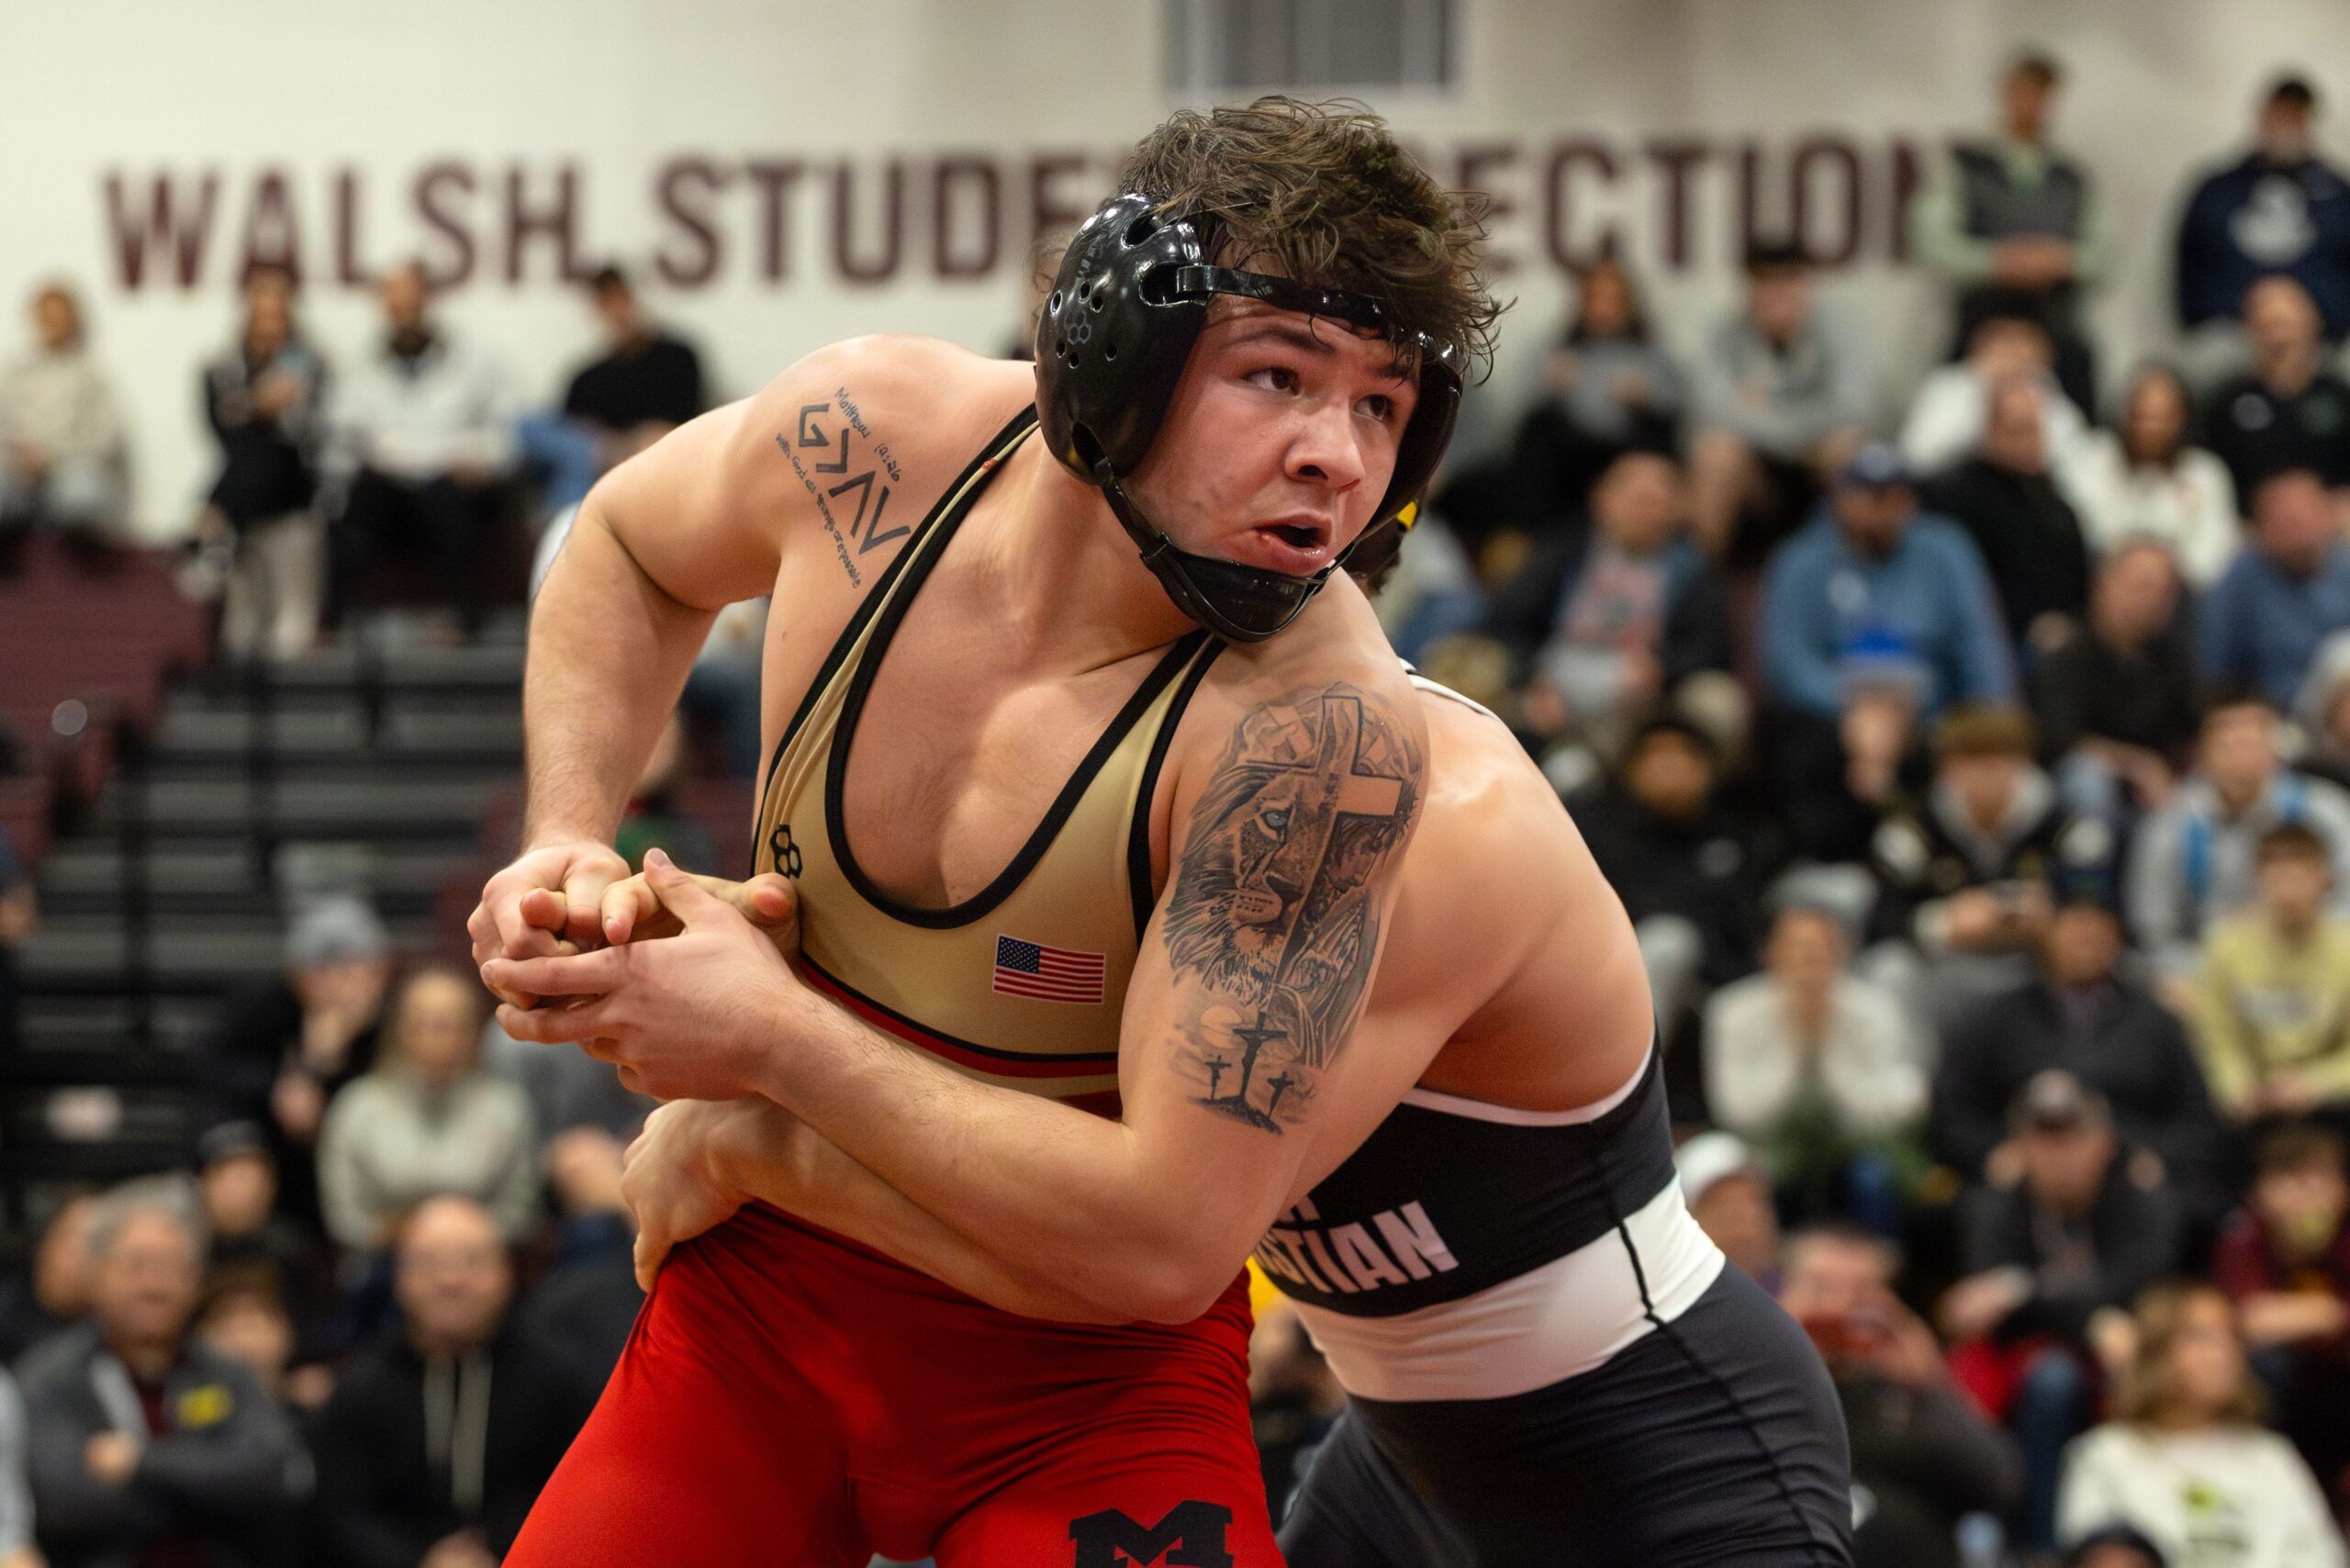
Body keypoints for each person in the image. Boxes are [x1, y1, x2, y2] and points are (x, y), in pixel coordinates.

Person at [476, 101, 1848, 1560]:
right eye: (1279, 377)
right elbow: (624, 539)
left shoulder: (1333, 756)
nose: (1337, 456)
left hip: (1592, 1443)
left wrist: (765, 1094)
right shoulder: (871, 444)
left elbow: (1157, 1246)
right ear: (1112, 351)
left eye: (1383, 407)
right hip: (1343, 1430)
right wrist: (565, 833)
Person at [602, 666, 1853, 1567]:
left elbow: (1129, 1251)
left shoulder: (1414, 826)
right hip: (1407, 1459)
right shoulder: (1148, 806)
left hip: (1665, 1447)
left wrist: (756, 1133)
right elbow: (980, 1084)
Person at [1942, 1072, 2185, 1549]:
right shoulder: (1994, 1207)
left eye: (2073, 1139)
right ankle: (2038, 1547)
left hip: (2130, 1355)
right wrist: (2089, 1318)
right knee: (2045, 1378)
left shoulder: (2140, 1198)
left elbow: (2141, 1283)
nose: (2059, 1156)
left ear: (2105, 1143)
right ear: (2019, 1148)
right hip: (2031, 1364)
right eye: (2044, 1141)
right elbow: (1985, 1307)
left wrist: (2026, 1293)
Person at [18, 1180, 307, 1568]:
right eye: (138, 1266)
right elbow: (65, 1503)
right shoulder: (49, 1378)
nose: (155, 1285)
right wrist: (207, 1489)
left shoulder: (225, 1372)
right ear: (97, 1273)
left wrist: (139, 1463)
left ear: (196, 1280)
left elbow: (270, 1470)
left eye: (173, 1267)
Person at [310, 1196, 597, 1568]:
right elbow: (342, 1513)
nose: (451, 1280)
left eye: (472, 1262)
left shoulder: (559, 1380)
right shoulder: (361, 1389)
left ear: (508, 1272)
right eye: (430, 1264)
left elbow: (580, 1499)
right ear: (398, 1276)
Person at [1934, 893, 2226, 1200]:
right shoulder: (1995, 1020)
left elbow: (2197, 1121)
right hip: (2023, 1187)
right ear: (2046, 932)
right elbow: (1953, 1113)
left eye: (2100, 925)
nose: (2087, 937)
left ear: (2117, 937)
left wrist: (2161, 1159)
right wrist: (1992, 1154)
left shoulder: (2156, 1023)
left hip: (2133, 1182)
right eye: (2074, 923)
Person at [1776, 1226, 2021, 1568]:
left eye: (1860, 1293)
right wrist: (1783, 1352)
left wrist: (1931, 1385)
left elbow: (2000, 1485)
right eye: (1822, 1287)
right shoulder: (1760, 1389)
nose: (1838, 1307)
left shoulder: (1901, 1398)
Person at [2057, 1281, 2346, 1568]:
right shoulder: (2106, 1454)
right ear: (2155, 1350)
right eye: (2200, 1337)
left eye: (2230, 1336)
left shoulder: (2271, 1456)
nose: (2222, 1353)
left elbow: (2322, 1556)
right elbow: (2094, 1555)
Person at [1478, 449, 1729, 756]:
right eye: (1637, 499)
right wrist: (1531, 679)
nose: (1646, 511)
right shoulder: (1564, 552)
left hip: (1642, 699)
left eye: (1657, 501)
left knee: (1718, 699)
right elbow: (1506, 621)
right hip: (1556, 680)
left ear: (1677, 510)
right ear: (1602, 499)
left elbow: (1705, 646)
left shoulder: (1694, 572)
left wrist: (1662, 670)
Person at [1866, 704, 2099, 1027]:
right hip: (1948, 967)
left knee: (2116, 965)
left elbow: (2099, 903)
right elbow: (1881, 921)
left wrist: (2052, 917)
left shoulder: (2062, 828)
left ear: (2022, 763)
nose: (1986, 776)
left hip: (2033, 966)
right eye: (1972, 762)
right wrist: (1946, 922)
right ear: (1947, 768)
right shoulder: (1913, 832)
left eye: (1999, 761)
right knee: (1888, 970)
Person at [1759, 443, 2014, 732]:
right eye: (1874, 497)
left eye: (1898, 496)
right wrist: (1856, 704)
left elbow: (1979, 642)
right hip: (1834, 713)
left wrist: (1994, 718)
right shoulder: (1801, 560)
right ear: (1841, 500)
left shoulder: (1946, 549)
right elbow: (1789, 661)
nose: (1887, 509)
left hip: (1931, 711)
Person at [1908, 50, 2110, 413]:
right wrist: (1999, 262)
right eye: (2024, 91)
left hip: (2055, 327)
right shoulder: (1965, 168)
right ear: (2005, 93)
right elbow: (1932, 244)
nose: (2032, 104)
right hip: (1981, 326)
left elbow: (2105, 253)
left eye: (2042, 95)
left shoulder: (2073, 178)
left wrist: (2060, 260)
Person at [1702, 902, 1925, 1229]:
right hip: (1768, 1146)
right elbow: (1739, 1115)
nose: (1808, 960)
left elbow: (1893, 1110)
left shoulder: (1876, 1010)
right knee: (1740, 1181)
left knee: (1875, 1176)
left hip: (1856, 1145)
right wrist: (1794, 1042)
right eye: (1796, 947)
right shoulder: (1732, 1011)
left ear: (1843, 953)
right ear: (1769, 952)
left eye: (1820, 947)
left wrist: (1825, 1040)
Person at [325, 259, 516, 638]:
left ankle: (465, 622)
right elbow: (341, 438)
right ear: (384, 306)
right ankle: (335, 626)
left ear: (428, 300)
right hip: (389, 486)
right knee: (349, 510)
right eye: (397, 304)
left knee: (450, 504)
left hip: (452, 482)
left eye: (412, 301)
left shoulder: (472, 360)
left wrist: (483, 462)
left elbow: (505, 428)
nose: (406, 314)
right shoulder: (359, 367)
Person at [197, 894, 395, 1236]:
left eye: (353, 971)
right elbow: (215, 1068)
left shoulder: (397, 1021)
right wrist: (302, 1068)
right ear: (295, 977)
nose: (339, 988)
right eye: (323, 972)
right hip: (279, 1160)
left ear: (380, 974)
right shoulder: (264, 1007)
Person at [316, 966, 537, 1258]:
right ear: (400, 1028)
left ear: (474, 1032)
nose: (440, 1036)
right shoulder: (358, 1106)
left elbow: (520, 1210)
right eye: (426, 1023)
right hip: (383, 1262)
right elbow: (344, 1215)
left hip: (480, 1259)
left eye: (453, 1024)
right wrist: (405, 1238)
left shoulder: (506, 1107)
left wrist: (455, 1237)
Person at [1576, 711, 1779, 1027]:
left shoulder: (1735, 834)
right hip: (1618, 986)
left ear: (1709, 769)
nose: (1671, 765)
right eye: (1656, 754)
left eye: (1685, 753)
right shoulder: (1598, 833)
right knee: (1669, 941)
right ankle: (1636, 1072)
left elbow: (1747, 924)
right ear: (1629, 768)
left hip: (1721, 982)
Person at [2131, 690, 2350, 977]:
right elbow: (2155, 930)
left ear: (2276, 750)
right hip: (2206, 971)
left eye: (2254, 743)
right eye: (2229, 745)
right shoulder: (2171, 823)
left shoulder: (2324, 811)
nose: (2243, 757)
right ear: (2202, 753)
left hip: (2313, 967)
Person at [1689, 239, 1874, 562]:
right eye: (1765, 282)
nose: (1777, 293)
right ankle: (1703, 588)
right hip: (1757, 470)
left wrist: (1765, 408)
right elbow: (1710, 407)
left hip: (1815, 458)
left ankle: (1855, 574)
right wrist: (1794, 424)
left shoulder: (1837, 329)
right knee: (1715, 453)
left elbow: (1855, 406)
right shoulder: (1724, 332)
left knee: (1847, 447)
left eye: (1789, 280)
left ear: (1806, 284)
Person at [2212, 1123, 2350, 1510]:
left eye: (2318, 1181)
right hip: (2281, 1401)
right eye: (2289, 1182)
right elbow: (2247, 1320)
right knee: (2264, 1363)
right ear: (2260, 1192)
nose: (2306, 1197)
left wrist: (2301, 1315)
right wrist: (2332, 1312)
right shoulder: (2243, 1237)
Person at [199, 263, 329, 662]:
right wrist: (260, 407)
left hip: (290, 500)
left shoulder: (311, 365)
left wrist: (257, 410)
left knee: (291, 625)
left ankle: (214, 522)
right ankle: (223, 527)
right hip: (252, 499)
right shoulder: (220, 368)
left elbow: (306, 435)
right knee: (242, 627)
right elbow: (225, 433)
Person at [2031, 540, 2203, 825]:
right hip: (2094, 781)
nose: (2153, 600)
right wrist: (2135, 765)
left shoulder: (2176, 657)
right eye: (2142, 587)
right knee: (2086, 780)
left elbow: (2195, 727)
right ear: (2104, 585)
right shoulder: (2070, 655)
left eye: (2165, 591)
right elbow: (2062, 739)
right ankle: (2091, 865)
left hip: (2163, 783)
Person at [2176, 75, 2350, 349]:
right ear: (2262, 115)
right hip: (2229, 335)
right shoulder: (2218, 189)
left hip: (2320, 342)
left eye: (2296, 118)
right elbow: (2190, 263)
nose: (2286, 128)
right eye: (2280, 115)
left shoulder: (2338, 195)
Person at [2196, 823, 2350, 1127]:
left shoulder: (2345, 950)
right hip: (2249, 1104)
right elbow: (2217, 1039)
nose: (2289, 891)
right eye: (2278, 876)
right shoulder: (2225, 947)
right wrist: (2239, 1090)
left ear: (2325, 879)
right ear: (2258, 879)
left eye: (2301, 875)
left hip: (2332, 1106)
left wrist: (2314, 1084)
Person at [1919, 376, 2092, 647]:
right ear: (1989, 431)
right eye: (2017, 430)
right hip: (1983, 639)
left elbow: (2078, 585)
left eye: (2034, 430)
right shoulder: (1954, 497)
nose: (2028, 443)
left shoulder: (2055, 506)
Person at [1511, 253, 1684, 513]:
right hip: (1570, 453)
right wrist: (1551, 387)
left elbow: (1677, 405)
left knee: (1655, 439)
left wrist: (1645, 398)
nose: (1604, 310)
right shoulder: (1557, 351)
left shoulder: (1651, 356)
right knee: (1538, 431)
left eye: (1613, 301)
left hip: (1625, 447)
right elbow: (1519, 406)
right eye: (1596, 300)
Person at [2053, 364, 2239, 587]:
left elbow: (2213, 560)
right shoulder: (2090, 458)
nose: (2152, 429)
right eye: (2143, 417)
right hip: (2098, 587)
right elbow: (2086, 537)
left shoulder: (2205, 473)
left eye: (2163, 419)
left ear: (2184, 420)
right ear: (2124, 414)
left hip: (2183, 602)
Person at [0, 282, 128, 573]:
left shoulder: (89, 375)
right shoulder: (13, 371)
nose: (53, 324)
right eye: (47, 316)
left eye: (60, 316)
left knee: (83, 493)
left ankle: (70, 553)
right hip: (16, 472)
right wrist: (20, 454)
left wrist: (52, 455)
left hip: (65, 472)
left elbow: (106, 437)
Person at [2202, 467, 2350, 711]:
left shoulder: (2345, 567)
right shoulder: (2240, 582)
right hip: (2273, 716)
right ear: (2260, 529)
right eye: (2286, 522)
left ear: (2328, 518)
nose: (2299, 535)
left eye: (2305, 519)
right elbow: (2215, 671)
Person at [2199, 277, 2350, 501]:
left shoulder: (2341, 398)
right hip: (2249, 531)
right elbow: (2208, 479)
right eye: (2266, 326)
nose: (2278, 338)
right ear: (2247, 330)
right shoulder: (2225, 405)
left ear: (2313, 325)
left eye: (2284, 324)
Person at [1898, 308, 2086, 476]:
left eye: (2023, 345)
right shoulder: (1949, 384)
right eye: (2006, 344)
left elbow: (2074, 457)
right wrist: (1985, 394)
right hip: (1957, 488)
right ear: (1980, 348)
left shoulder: (2045, 388)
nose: (2014, 355)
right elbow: (1919, 455)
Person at [0, 1193, 96, 1366]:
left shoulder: (112, 1333)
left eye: (95, 1246)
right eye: (71, 1242)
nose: (82, 1260)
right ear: (44, 1246)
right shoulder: (8, 1312)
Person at [1677, 1131, 1783, 1286]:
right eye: (1722, 1204)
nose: (1743, 1218)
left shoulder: (1803, 1296)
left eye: (1753, 1201)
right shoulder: (1670, 1302)